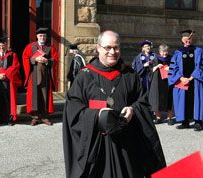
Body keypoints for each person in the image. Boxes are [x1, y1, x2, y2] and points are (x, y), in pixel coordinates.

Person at [63, 30, 166, 178]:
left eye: (116, 47)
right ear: (98, 48)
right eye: (107, 47)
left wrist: (133, 109)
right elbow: (72, 110)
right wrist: (96, 115)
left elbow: (143, 101)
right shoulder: (84, 77)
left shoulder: (130, 75)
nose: (112, 52)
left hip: (127, 147)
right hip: (97, 147)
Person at [168, 30, 203, 131]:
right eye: (186, 38)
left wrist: (191, 78)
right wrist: (181, 78)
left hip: (195, 81)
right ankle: (185, 122)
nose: (188, 40)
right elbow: (173, 67)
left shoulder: (198, 51)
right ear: (182, 40)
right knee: (182, 101)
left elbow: (200, 66)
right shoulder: (178, 52)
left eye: (190, 38)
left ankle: (198, 122)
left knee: (197, 101)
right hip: (182, 82)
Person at [22, 27, 58, 126]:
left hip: (46, 76)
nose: (42, 37)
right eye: (40, 36)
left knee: (44, 96)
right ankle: (35, 117)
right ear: (37, 36)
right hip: (34, 75)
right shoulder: (31, 47)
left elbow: (56, 60)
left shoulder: (50, 48)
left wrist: (47, 61)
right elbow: (25, 58)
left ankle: (45, 117)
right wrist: (35, 59)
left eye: (44, 36)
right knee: (34, 96)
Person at [0, 37, 22, 126]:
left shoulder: (12, 55)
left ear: (6, 45)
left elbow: (15, 66)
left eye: (3, 45)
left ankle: (9, 119)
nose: (1, 47)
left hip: (9, 82)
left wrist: (6, 74)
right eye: (0, 45)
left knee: (8, 100)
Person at [149, 44, 174, 125]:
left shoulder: (171, 59)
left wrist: (170, 68)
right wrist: (156, 67)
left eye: (166, 51)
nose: (165, 53)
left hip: (169, 82)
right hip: (157, 82)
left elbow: (176, 67)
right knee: (157, 99)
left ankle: (169, 118)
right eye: (163, 51)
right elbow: (149, 70)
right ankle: (158, 118)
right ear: (159, 52)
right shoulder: (155, 59)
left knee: (170, 99)